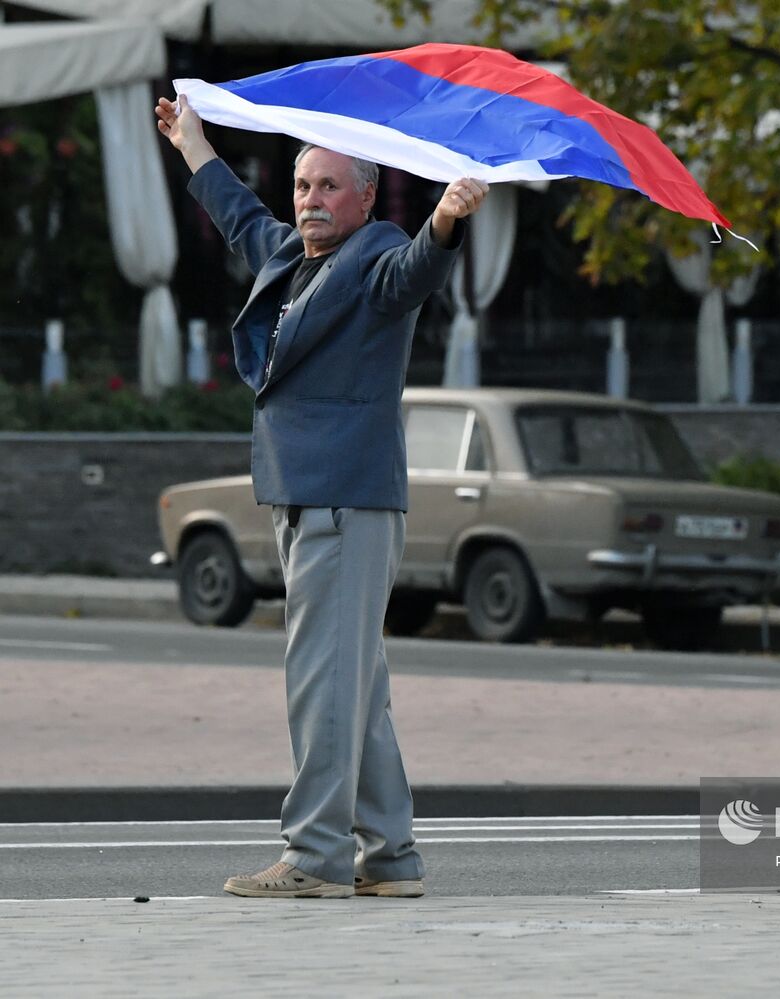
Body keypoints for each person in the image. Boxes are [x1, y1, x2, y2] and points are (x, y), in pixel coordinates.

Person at [154, 94, 487, 899]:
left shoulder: (374, 262)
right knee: (354, 687)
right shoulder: (292, 259)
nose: (311, 200)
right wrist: (194, 145)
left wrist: (444, 217)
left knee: (323, 684)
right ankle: (392, 856)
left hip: (345, 500)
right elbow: (239, 216)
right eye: (304, 185)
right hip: (306, 495)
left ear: (367, 198)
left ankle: (314, 857)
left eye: (330, 187)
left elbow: (417, 271)